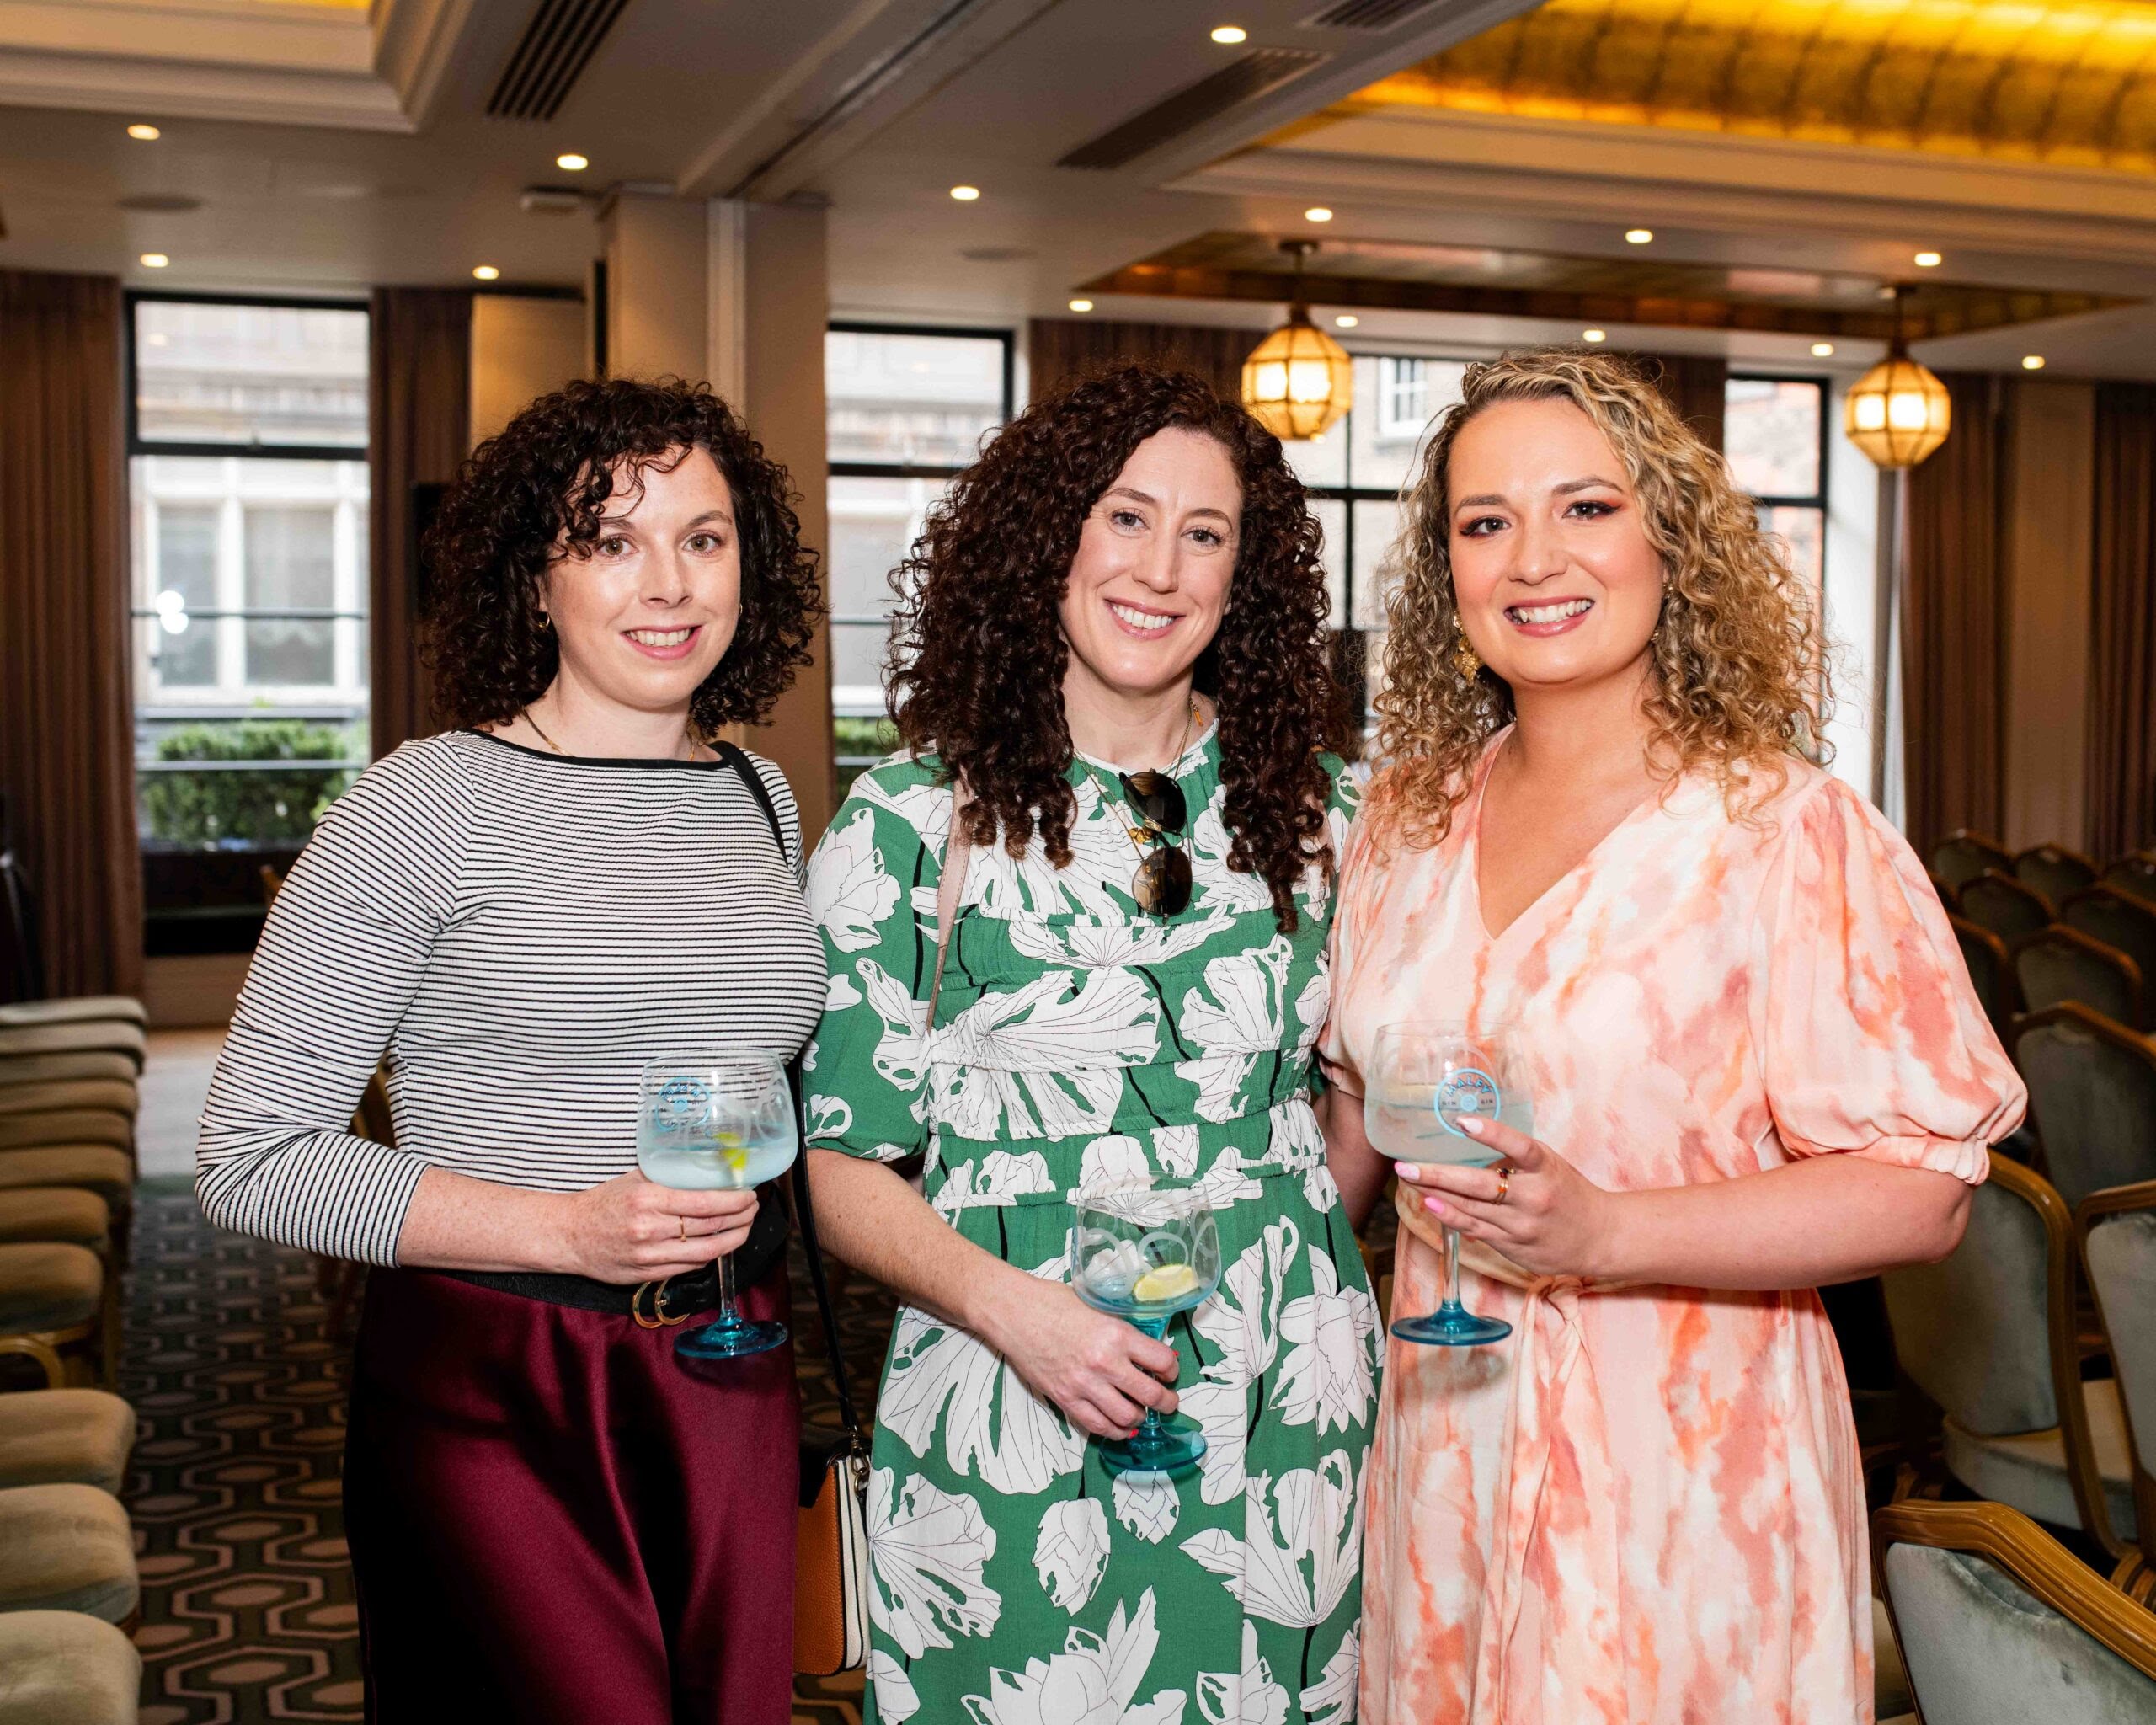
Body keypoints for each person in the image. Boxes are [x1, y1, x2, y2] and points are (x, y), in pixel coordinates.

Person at [1319, 349, 2025, 1724]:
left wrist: (1608, 1232)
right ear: (1448, 572)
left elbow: (1925, 1187)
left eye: (1586, 508)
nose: (1535, 559)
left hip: (1688, 1465)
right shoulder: (1402, 822)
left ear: (1671, 543)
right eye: (1485, 522)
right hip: (1445, 1443)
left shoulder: (1784, 829)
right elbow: (1355, 1124)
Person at [195, 377, 826, 1725]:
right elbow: (252, 1158)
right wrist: (566, 1231)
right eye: (611, 542)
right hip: (505, 1382)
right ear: (536, 581)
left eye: (703, 538)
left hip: (733, 1362)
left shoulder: (757, 796)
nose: (668, 584)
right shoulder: (425, 801)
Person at [803, 366, 1374, 1723]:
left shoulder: (1328, 817)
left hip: (1284, 1417)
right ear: (1046, 538)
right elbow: (833, 1164)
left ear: (1246, 576)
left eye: (1203, 533)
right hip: (1007, 1394)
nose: (1159, 569)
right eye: (1125, 517)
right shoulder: (908, 823)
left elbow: (1350, 1110)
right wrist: (1020, 1312)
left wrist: (1287, 1265)